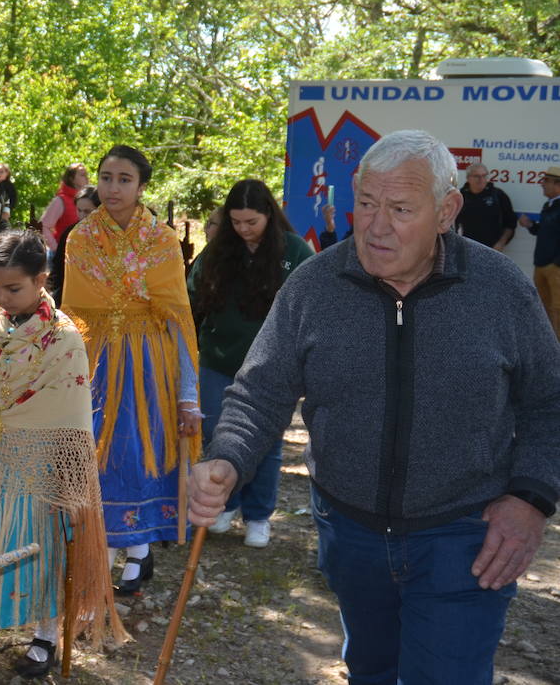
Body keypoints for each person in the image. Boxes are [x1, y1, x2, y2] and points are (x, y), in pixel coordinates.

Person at [190, 130, 560, 685]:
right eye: (365, 203)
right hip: (350, 530)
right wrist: (228, 457)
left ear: (446, 211)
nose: (376, 225)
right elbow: (260, 389)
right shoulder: (315, 283)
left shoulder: (499, 289)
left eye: (400, 209)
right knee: (371, 670)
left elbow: (548, 403)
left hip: (463, 533)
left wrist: (531, 498)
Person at [0, 230, 123, 685]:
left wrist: (71, 488)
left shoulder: (65, 339)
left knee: (41, 552)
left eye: (13, 288)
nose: (1, 298)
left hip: (37, 467)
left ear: (41, 279)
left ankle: (45, 636)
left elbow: (71, 420)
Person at [61, 145, 199, 596]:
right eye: (105, 177)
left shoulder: (162, 242)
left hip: (148, 364)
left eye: (124, 179)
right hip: (96, 361)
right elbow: (72, 316)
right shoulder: (79, 239)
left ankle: (137, 548)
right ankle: (101, 549)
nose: (112, 187)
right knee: (97, 453)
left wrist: (188, 394)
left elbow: (178, 318)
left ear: (142, 187)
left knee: (138, 448)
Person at [187, 179, 314, 548]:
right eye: (237, 222)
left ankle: (259, 516)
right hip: (217, 359)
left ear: (269, 216)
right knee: (218, 438)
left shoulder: (295, 251)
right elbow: (191, 300)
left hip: (271, 369)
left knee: (267, 443)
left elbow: (309, 309)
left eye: (251, 222)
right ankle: (228, 503)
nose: (243, 229)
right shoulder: (216, 253)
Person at [518, 163, 560, 337]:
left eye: (546, 181)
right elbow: (545, 231)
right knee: (542, 307)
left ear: (557, 184)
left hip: (555, 267)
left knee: (557, 309)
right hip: (541, 264)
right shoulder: (548, 205)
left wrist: (556, 264)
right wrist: (530, 225)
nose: (542, 184)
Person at [47, 186, 96, 305]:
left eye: (87, 211)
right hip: (70, 294)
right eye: (79, 210)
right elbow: (59, 265)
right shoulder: (70, 232)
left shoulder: (109, 233)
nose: (82, 215)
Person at [457, 162, 517, 250]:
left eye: (484, 176)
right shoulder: (460, 197)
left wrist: (501, 243)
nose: (481, 179)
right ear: (468, 178)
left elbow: (510, 224)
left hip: (492, 250)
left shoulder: (498, 195)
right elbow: (451, 224)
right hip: (466, 249)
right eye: (477, 176)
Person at [41, 164, 89, 257]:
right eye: (82, 175)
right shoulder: (60, 200)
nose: (87, 178)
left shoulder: (89, 199)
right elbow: (43, 226)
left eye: (87, 174)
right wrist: (57, 248)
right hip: (62, 258)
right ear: (71, 178)